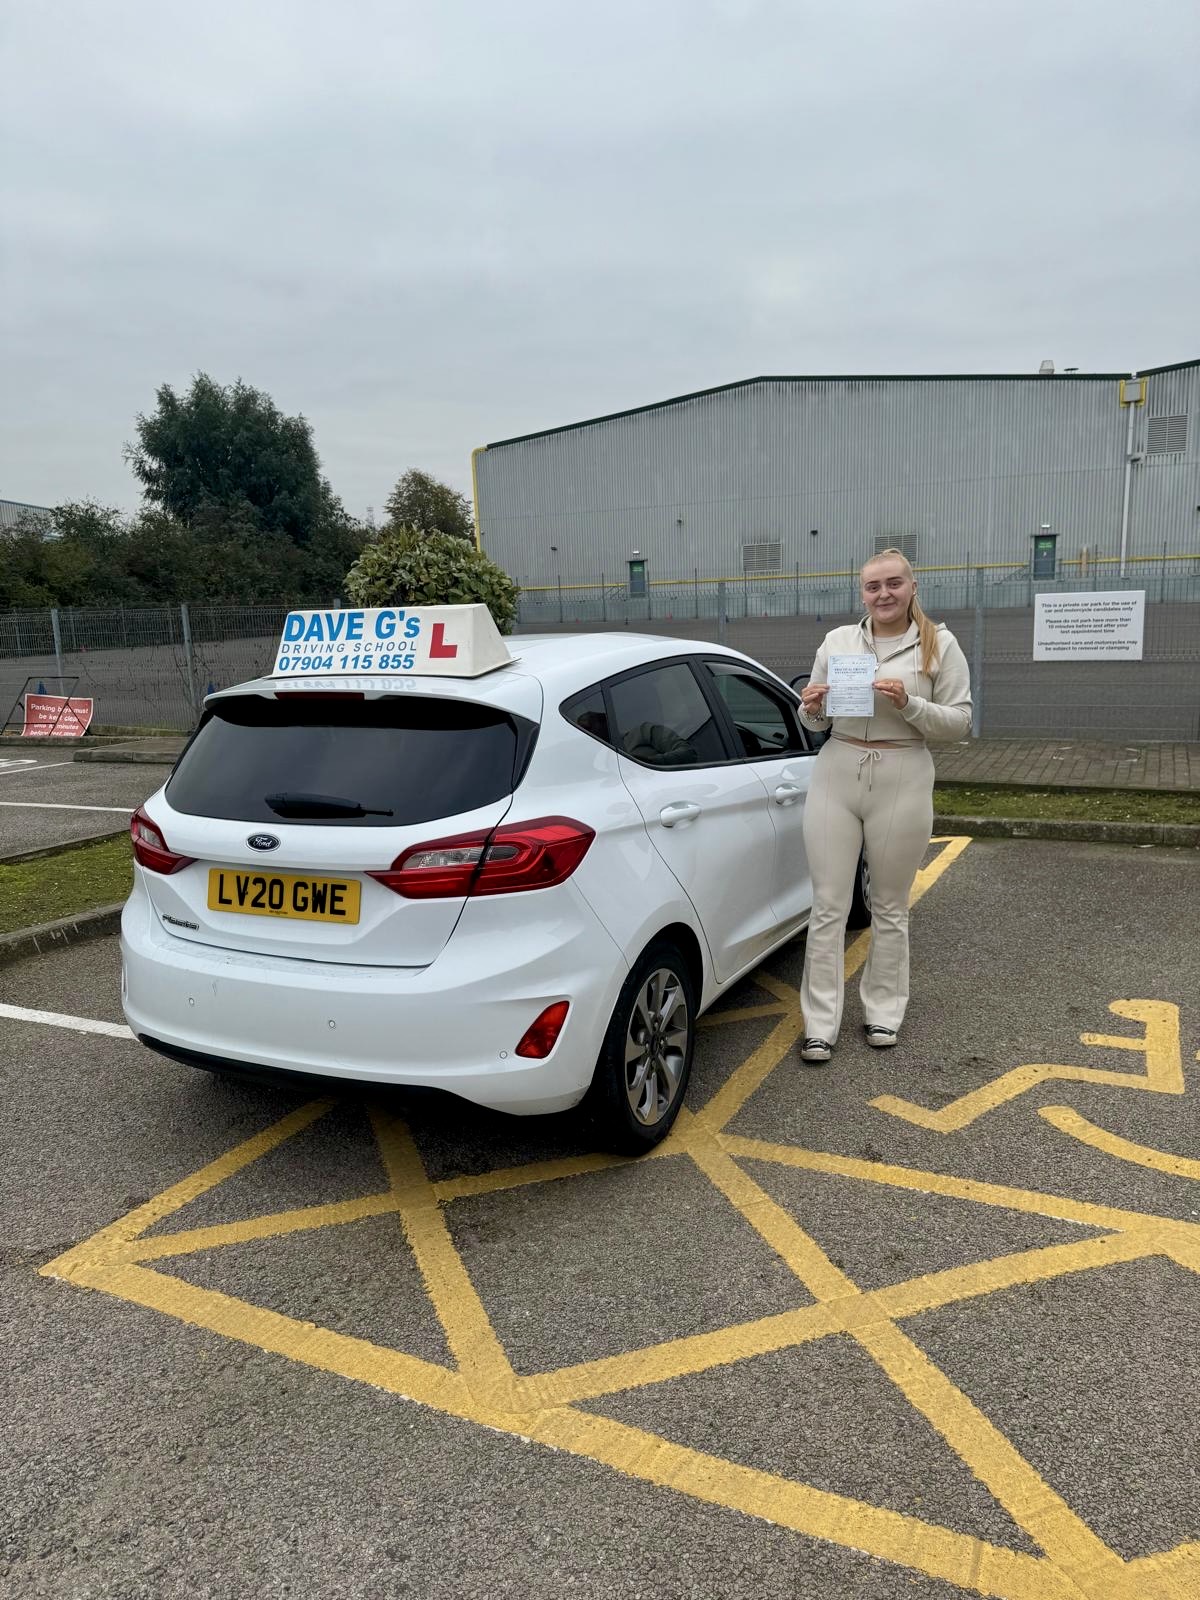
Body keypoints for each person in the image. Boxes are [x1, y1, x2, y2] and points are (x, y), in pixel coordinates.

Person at [795, 548, 971, 1064]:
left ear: (912, 587)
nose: (884, 594)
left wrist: (908, 703)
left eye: (894, 584)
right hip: (838, 769)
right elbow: (816, 722)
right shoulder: (838, 642)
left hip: (903, 772)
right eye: (873, 587)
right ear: (862, 592)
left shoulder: (939, 644)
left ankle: (883, 1013)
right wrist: (811, 706)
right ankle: (819, 1024)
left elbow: (959, 722)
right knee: (829, 906)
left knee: (890, 906)